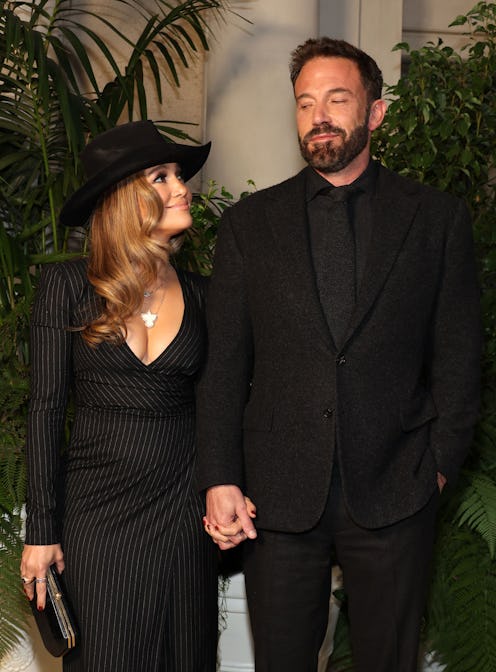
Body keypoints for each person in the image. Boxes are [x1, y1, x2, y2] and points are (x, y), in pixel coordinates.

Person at [196, 38, 481, 672]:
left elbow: (460, 359)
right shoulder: (249, 225)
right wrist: (220, 477)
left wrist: (436, 467)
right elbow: (225, 370)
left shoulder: (435, 220)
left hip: (396, 488)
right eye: (304, 103)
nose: (318, 115)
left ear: (375, 112)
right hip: (277, 494)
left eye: (336, 99)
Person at [20, 120, 218, 672]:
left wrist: (230, 485)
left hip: (183, 514)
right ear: (123, 199)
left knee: (187, 657)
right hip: (97, 519)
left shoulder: (207, 295)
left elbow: (220, 407)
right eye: (161, 177)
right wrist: (41, 530)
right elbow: (45, 409)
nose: (181, 187)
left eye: (180, 175)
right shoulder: (65, 288)